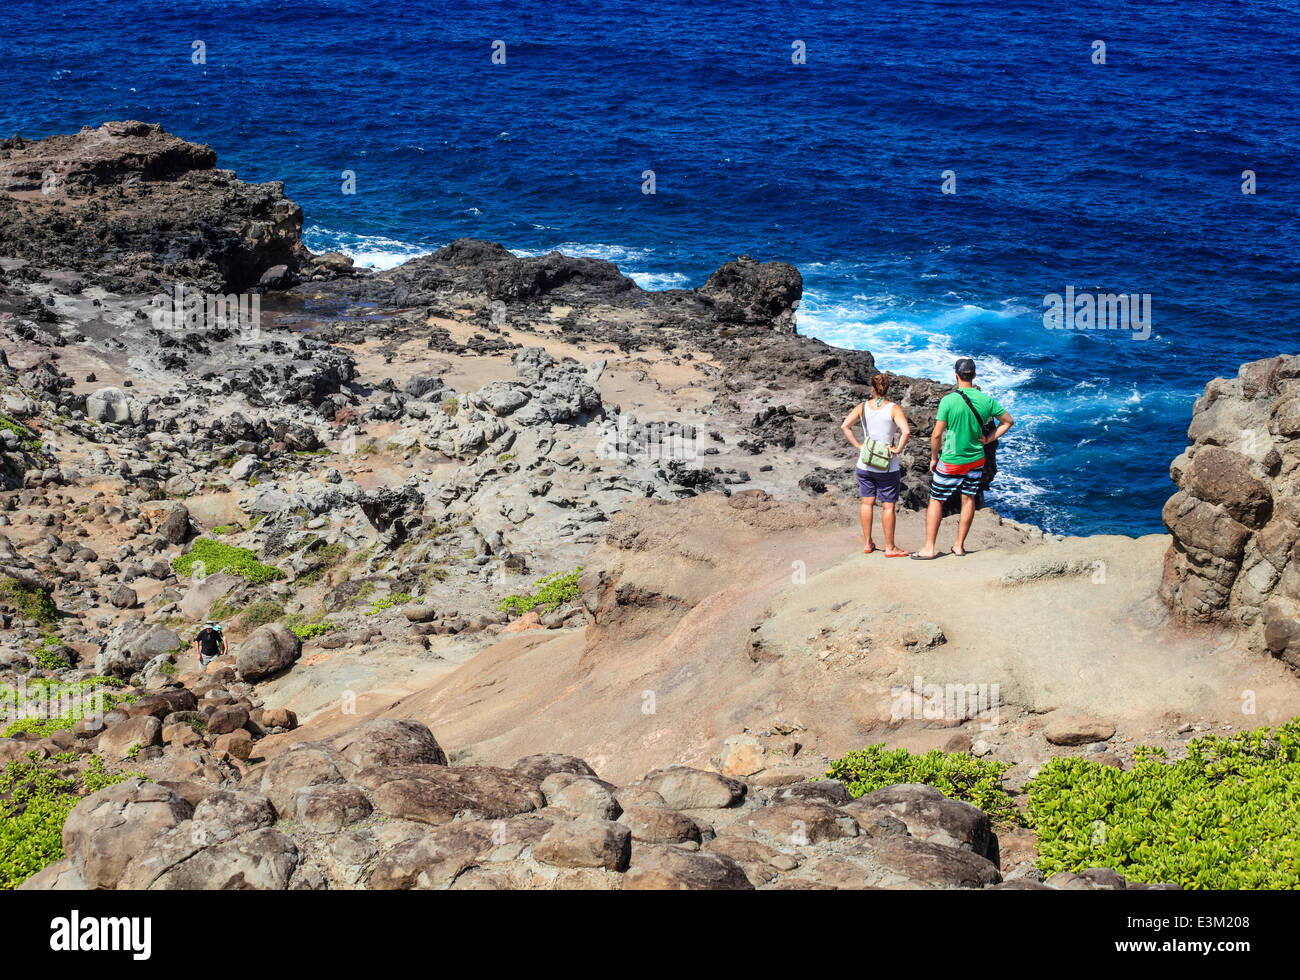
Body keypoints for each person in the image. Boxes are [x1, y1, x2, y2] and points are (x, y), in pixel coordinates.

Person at [912, 357, 1013, 559]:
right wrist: (988, 439)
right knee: (968, 500)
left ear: (956, 375)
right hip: (976, 458)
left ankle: (929, 548)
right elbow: (1008, 421)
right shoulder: (986, 400)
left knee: (936, 499)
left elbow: (936, 435)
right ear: (974, 375)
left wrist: (933, 458)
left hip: (952, 459)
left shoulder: (948, 400)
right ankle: (958, 546)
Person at [841, 372, 911, 556]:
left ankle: (867, 544)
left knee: (866, 503)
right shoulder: (894, 408)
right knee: (888, 506)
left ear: (872, 388)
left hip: (865, 463)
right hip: (886, 466)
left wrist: (858, 445)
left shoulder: (862, 407)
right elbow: (906, 431)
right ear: (887, 388)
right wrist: (898, 450)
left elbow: (845, 426)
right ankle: (889, 548)